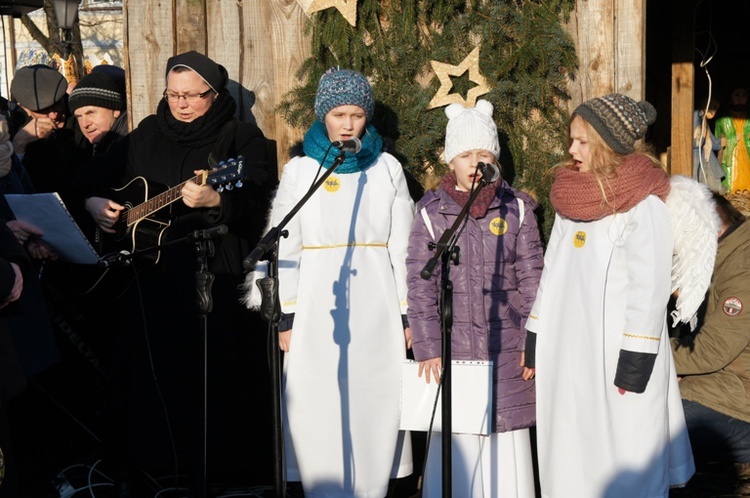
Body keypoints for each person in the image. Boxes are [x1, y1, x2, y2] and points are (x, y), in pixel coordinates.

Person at [84, 50, 278, 493]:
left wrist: (218, 201)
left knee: (215, 376)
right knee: (148, 375)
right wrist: (93, 202)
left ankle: (222, 472)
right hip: (150, 275)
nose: (181, 104)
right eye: (173, 94)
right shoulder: (146, 133)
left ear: (215, 93)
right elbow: (93, 178)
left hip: (214, 272)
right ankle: (154, 464)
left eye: (192, 96)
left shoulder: (239, 137)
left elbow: (260, 194)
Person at [246, 67, 414, 497]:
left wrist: (407, 311)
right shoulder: (302, 171)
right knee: (317, 398)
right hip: (317, 306)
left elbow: (403, 246)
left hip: (376, 301)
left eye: (357, 115)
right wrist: (286, 313)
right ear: (324, 115)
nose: (347, 124)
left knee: (374, 395)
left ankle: (373, 486)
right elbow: (285, 243)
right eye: (339, 114)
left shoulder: (388, 169)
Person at [524, 93, 695, 497]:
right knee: (569, 441)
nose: (571, 150)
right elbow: (552, 272)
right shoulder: (570, 198)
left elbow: (649, 288)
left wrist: (636, 356)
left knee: (622, 440)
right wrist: (535, 335)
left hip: (615, 353)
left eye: (582, 142)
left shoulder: (642, 205)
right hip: (568, 349)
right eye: (571, 140)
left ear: (607, 144)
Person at [406, 99, 542, 497]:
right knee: (457, 436)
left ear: (495, 159)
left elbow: (533, 278)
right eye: (466, 154)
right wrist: (428, 346)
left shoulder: (516, 208)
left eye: (483, 153)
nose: (475, 162)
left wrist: (534, 342)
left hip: (507, 342)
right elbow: (420, 285)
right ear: (451, 161)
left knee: (505, 431)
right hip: (453, 347)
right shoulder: (433, 212)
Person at [671, 193, 750, 476]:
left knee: (652, 427)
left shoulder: (743, 268)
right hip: (725, 383)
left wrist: (646, 353)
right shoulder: (726, 255)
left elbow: (711, 350)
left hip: (739, 400)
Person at [715, 86, 750, 193]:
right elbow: (717, 142)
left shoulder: (748, 119)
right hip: (730, 158)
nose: (740, 98)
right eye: (737, 95)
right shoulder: (722, 120)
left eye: (744, 95)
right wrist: (732, 139)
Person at [693, 99, 725, 193]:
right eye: (710, 105)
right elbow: (695, 141)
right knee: (700, 173)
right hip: (697, 156)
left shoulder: (704, 121)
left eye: (715, 107)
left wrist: (720, 142)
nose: (712, 110)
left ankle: (714, 189)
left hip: (706, 154)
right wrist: (701, 137)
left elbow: (711, 139)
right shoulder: (695, 118)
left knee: (711, 172)